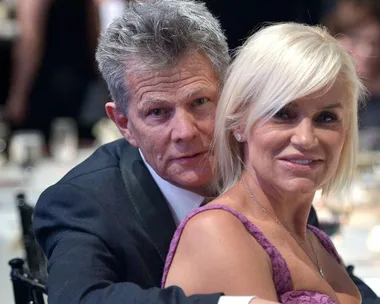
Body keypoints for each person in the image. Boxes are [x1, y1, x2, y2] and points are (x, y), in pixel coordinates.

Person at [33, 0, 378, 303]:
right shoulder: (84, 202)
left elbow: (318, 274)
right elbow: (79, 299)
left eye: (200, 102)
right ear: (123, 123)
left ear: (231, 97)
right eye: (157, 112)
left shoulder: (267, 164)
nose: (185, 132)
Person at [162, 23, 367, 303]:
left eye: (326, 118)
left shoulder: (316, 241)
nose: (306, 138)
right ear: (239, 123)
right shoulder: (217, 232)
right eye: (283, 114)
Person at [4, 0, 100, 140]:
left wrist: (17, 96)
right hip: (78, 79)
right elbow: (95, 32)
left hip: (44, 84)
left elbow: (30, 42)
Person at [323, 0, 380, 149]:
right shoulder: (316, 92)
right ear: (334, 38)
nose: (368, 53)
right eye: (356, 39)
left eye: (375, 43)